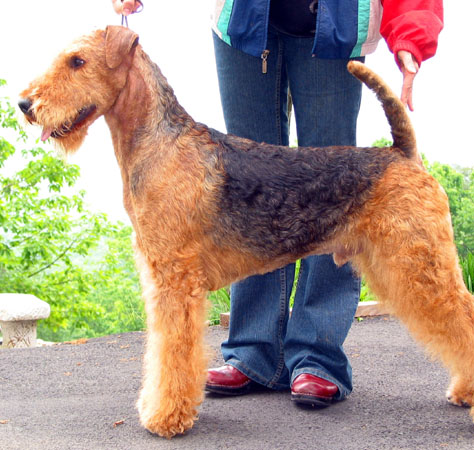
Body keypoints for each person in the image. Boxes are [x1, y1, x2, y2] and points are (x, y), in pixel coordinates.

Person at [113, 0, 443, 407]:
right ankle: (253, 352)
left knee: (341, 196)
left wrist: (411, 32)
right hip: (245, 20)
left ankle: (318, 356)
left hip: (334, 21)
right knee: (242, 195)